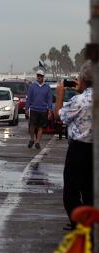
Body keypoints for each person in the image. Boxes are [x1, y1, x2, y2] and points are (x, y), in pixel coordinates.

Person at [54, 60, 93, 230]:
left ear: (83, 79)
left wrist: (60, 94)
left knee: (71, 192)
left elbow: (58, 116)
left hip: (79, 150)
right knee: (90, 190)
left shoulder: (79, 100)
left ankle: (80, 224)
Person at [25, 69, 53, 149]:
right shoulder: (32, 86)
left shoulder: (47, 87)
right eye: (38, 75)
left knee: (41, 126)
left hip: (43, 110)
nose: (39, 77)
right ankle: (32, 139)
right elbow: (29, 98)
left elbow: (49, 99)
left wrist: (50, 110)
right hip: (34, 109)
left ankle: (37, 142)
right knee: (32, 126)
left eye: (40, 76)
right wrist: (26, 109)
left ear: (43, 77)